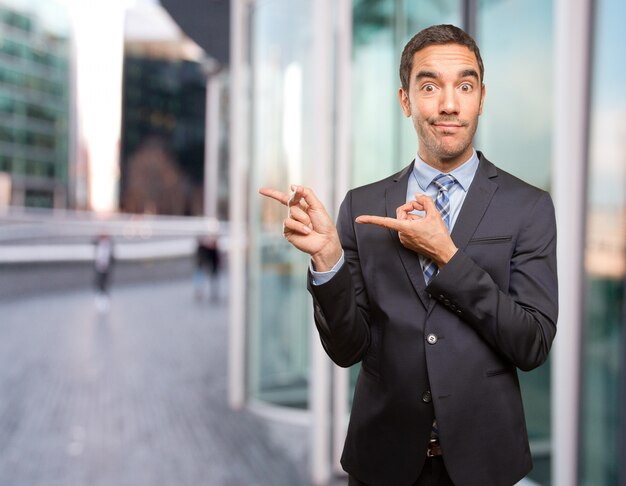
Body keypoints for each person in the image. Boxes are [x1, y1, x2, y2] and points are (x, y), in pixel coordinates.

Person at [260, 24, 557, 486]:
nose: (449, 104)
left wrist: (448, 257)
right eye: (429, 86)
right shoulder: (361, 207)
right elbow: (347, 349)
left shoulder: (528, 207)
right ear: (405, 101)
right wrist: (329, 262)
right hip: (381, 463)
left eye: (464, 85)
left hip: (485, 466)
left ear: (481, 97)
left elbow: (532, 343)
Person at [93, 233, 114, 312]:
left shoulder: (109, 245)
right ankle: (101, 299)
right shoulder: (99, 244)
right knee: (100, 284)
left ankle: (105, 299)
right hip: (100, 269)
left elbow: (111, 257)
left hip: (107, 269)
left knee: (105, 283)